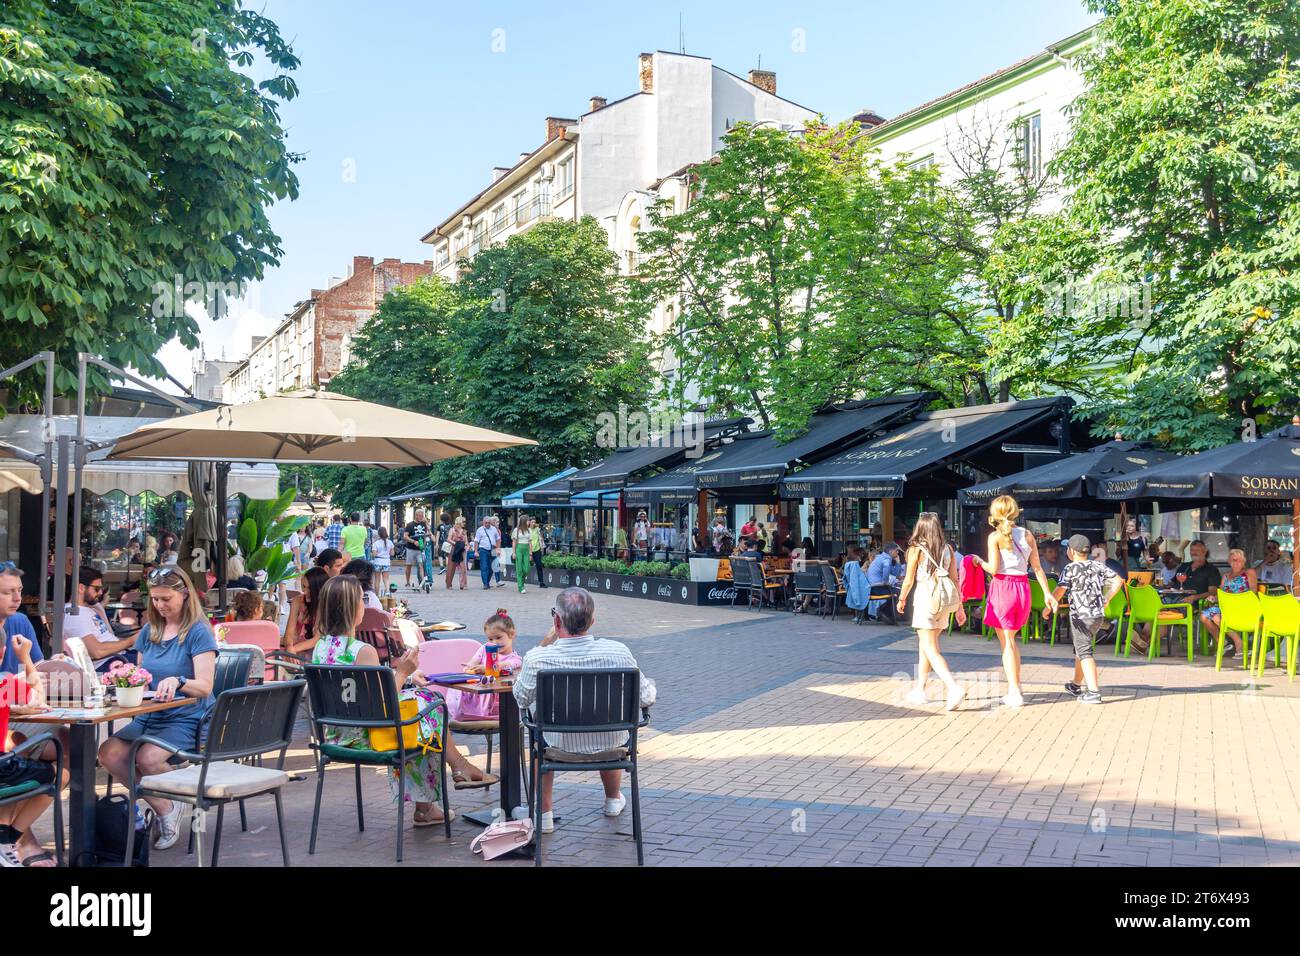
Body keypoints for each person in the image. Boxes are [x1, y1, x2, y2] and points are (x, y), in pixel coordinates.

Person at [513, 588, 656, 834]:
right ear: (592, 620)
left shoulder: (538, 658)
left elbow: (522, 699)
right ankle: (613, 800)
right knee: (607, 717)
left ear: (556, 620)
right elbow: (646, 698)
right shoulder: (618, 652)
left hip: (559, 746)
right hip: (612, 745)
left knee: (538, 725)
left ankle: (544, 813)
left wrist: (545, 644)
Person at [98, 566, 218, 850]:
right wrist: (125, 680)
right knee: (108, 754)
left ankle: (167, 806)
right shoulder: (150, 631)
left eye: (166, 599)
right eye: (155, 599)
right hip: (152, 714)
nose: (159, 606)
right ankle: (167, 806)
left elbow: (205, 687)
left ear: (185, 595)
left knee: (148, 758)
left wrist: (178, 680)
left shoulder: (198, 632)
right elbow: (143, 674)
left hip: (190, 717)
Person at [972, 495, 1057, 708]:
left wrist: (978, 561)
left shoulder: (995, 537)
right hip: (1023, 588)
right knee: (1012, 641)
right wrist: (1047, 593)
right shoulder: (1027, 534)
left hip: (1003, 587)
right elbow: (1037, 568)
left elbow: (993, 569)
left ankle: (1014, 691)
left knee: (1007, 643)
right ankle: (1016, 687)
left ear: (996, 514)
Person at [895, 513, 967, 711]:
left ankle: (953, 687)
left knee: (931, 649)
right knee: (926, 647)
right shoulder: (948, 549)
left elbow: (908, 580)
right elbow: (955, 580)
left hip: (926, 599)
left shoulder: (915, 550)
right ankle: (920, 689)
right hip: (944, 601)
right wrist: (959, 606)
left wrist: (901, 599)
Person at [442, 609, 521, 788]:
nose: (494, 643)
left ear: (511, 635)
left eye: (498, 638)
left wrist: (489, 667)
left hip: (498, 706)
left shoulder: (515, 658)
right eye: (490, 639)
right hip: (477, 701)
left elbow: (508, 665)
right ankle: (459, 711)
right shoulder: (484, 649)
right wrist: (471, 667)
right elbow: (470, 664)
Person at [1045, 535, 1123, 705]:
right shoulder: (1098, 566)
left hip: (1081, 616)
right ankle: (1075, 685)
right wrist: (1107, 597)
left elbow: (1059, 591)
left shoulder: (1070, 569)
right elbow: (1118, 580)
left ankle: (1094, 692)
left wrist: (1049, 606)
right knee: (1080, 649)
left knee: (1085, 652)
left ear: (1071, 551)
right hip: (1097, 616)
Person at [0, 669, 67, 867]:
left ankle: (5, 840)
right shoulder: (6, 683)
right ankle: (6, 840)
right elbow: (39, 700)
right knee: (59, 774)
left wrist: (12, 709)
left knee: (17, 754)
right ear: (3, 653)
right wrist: (25, 656)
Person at [63, 566, 138, 672]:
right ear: (81, 588)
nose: (100, 592)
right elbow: (97, 651)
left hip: (117, 657)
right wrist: (132, 640)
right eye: (97, 589)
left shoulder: (86, 609)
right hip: (108, 664)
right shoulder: (74, 615)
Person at [1200, 548, 1255, 659]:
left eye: (1239, 560)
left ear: (1243, 561)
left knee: (1216, 617)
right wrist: (1214, 598)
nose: (1236, 563)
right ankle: (1224, 642)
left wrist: (1237, 599)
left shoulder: (1249, 573)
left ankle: (1238, 645)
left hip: (1243, 606)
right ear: (1229, 562)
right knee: (1204, 616)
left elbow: (1253, 591)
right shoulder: (1225, 576)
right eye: (1233, 560)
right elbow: (1221, 594)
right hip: (1226, 607)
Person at [1, 564, 42, 677]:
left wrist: (56, 664)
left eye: (19, 590)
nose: (18, 598)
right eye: (8, 592)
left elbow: (39, 667)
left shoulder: (20, 620)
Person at [283, 566, 329, 656]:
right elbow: (289, 633)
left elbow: (316, 639)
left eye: (310, 588)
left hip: (319, 651)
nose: (305, 591)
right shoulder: (297, 601)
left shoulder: (325, 604)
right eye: (304, 586)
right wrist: (289, 647)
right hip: (296, 648)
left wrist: (292, 649)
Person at [865, 542, 905, 623]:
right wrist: (885, 582)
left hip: (873, 587)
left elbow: (896, 573)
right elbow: (886, 569)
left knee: (897, 591)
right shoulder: (886, 559)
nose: (898, 553)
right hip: (876, 588)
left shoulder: (882, 557)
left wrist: (897, 562)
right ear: (891, 551)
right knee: (900, 592)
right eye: (896, 551)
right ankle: (884, 612)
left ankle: (886, 613)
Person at [403, 509, 431, 590]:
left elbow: (427, 534)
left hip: (420, 549)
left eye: (423, 516)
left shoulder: (423, 524)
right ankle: (407, 582)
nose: (421, 517)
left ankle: (423, 582)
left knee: (421, 565)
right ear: (416, 515)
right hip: (411, 548)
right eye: (420, 516)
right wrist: (413, 541)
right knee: (409, 566)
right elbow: (405, 536)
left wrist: (424, 544)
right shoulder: (410, 525)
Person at [473, 516, 501, 591]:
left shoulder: (494, 529)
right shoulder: (480, 530)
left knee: (492, 567)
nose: (487, 524)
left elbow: (498, 539)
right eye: (486, 523)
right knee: (484, 566)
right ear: (483, 522)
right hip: (483, 550)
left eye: (489, 523)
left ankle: (487, 582)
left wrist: (498, 549)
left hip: (493, 549)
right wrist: (476, 551)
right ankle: (485, 583)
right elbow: (476, 541)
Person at [444, 516, 469, 590]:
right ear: (459, 522)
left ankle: (463, 585)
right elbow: (448, 539)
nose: (464, 523)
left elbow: (466, 541)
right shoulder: (452, 529)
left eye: (465, 522)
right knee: (451, 567)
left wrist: (466, 545)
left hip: (462, 550)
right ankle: (448, 584)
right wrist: (455, 543)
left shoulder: (464, 531)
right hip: (453, 549)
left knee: (463, 568)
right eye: (463, 521)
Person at [370, 527, 394, 594]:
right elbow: (392, 553)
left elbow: (374, 555)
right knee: (386, 579)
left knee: (377, 580)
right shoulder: (390, 542)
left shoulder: (376, 543)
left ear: (379, 534)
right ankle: (387, 592)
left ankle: (376, 595)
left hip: (378, 562)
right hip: (386, 562)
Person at [528, 517, 547, 588]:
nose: (533, 523)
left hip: (537, 550)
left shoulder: (537, 529)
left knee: (539, 565)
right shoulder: (527, 530)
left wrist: (541, 546)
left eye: (534, 522)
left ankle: (541, 582)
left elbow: (541, 538)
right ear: (529, 522)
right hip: (528, 550)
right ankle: (521, 581)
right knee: (526, 566)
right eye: (532, 522)